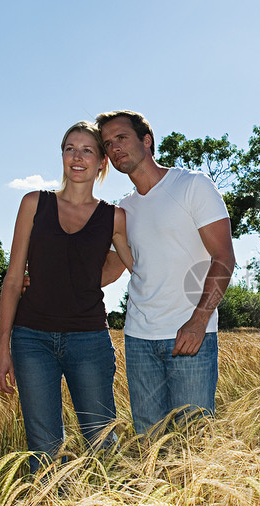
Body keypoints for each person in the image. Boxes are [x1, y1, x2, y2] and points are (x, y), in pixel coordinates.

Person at [0, 121, 133, 473]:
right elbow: (13, 280)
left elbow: (131, 262)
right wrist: (3, 346)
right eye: (70, 148)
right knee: (43, 450)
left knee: (101, 440)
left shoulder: (113, 217)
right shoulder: (33, 204)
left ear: (102, 162)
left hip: (89, 339)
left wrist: (81, 279)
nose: (77, 156)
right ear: (62, 156)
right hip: (32, 340)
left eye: (87, 150)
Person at [96, 110, 235, 435]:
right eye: (107, 144)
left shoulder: (193, 186)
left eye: (121, 138)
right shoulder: (124, 210)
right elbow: (109, 270)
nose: (114, 148)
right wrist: (50, 280)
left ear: (146, 141)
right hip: (139, 339)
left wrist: (199, 320)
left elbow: (224, 257)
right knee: (150, 442)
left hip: (190, 337)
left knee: (193, 445)